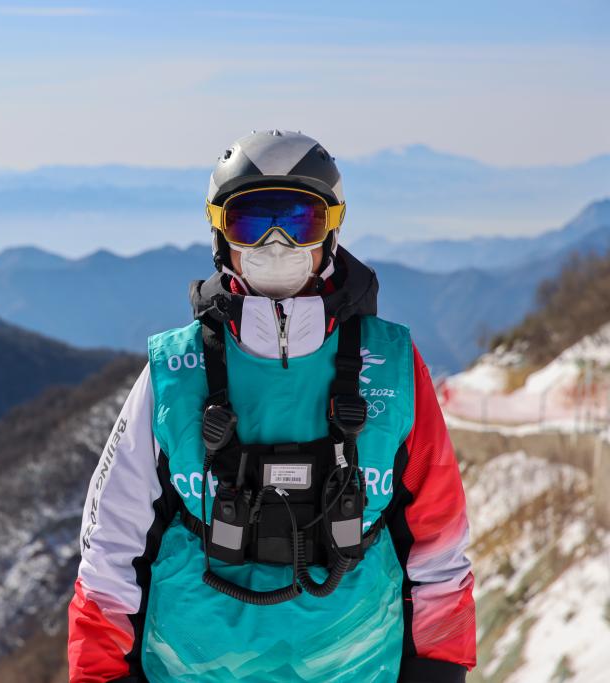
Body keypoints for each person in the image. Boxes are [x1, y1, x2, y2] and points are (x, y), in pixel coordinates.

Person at [67, 130, 476, 683]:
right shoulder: (175, 373)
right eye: (250, 222)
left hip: (358, 668)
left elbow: (439, 545)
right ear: (221, 235)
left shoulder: (393, 367)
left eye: (300, 222)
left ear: (332, 231)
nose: (276, 245)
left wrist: (438, 670)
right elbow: (109, 551)